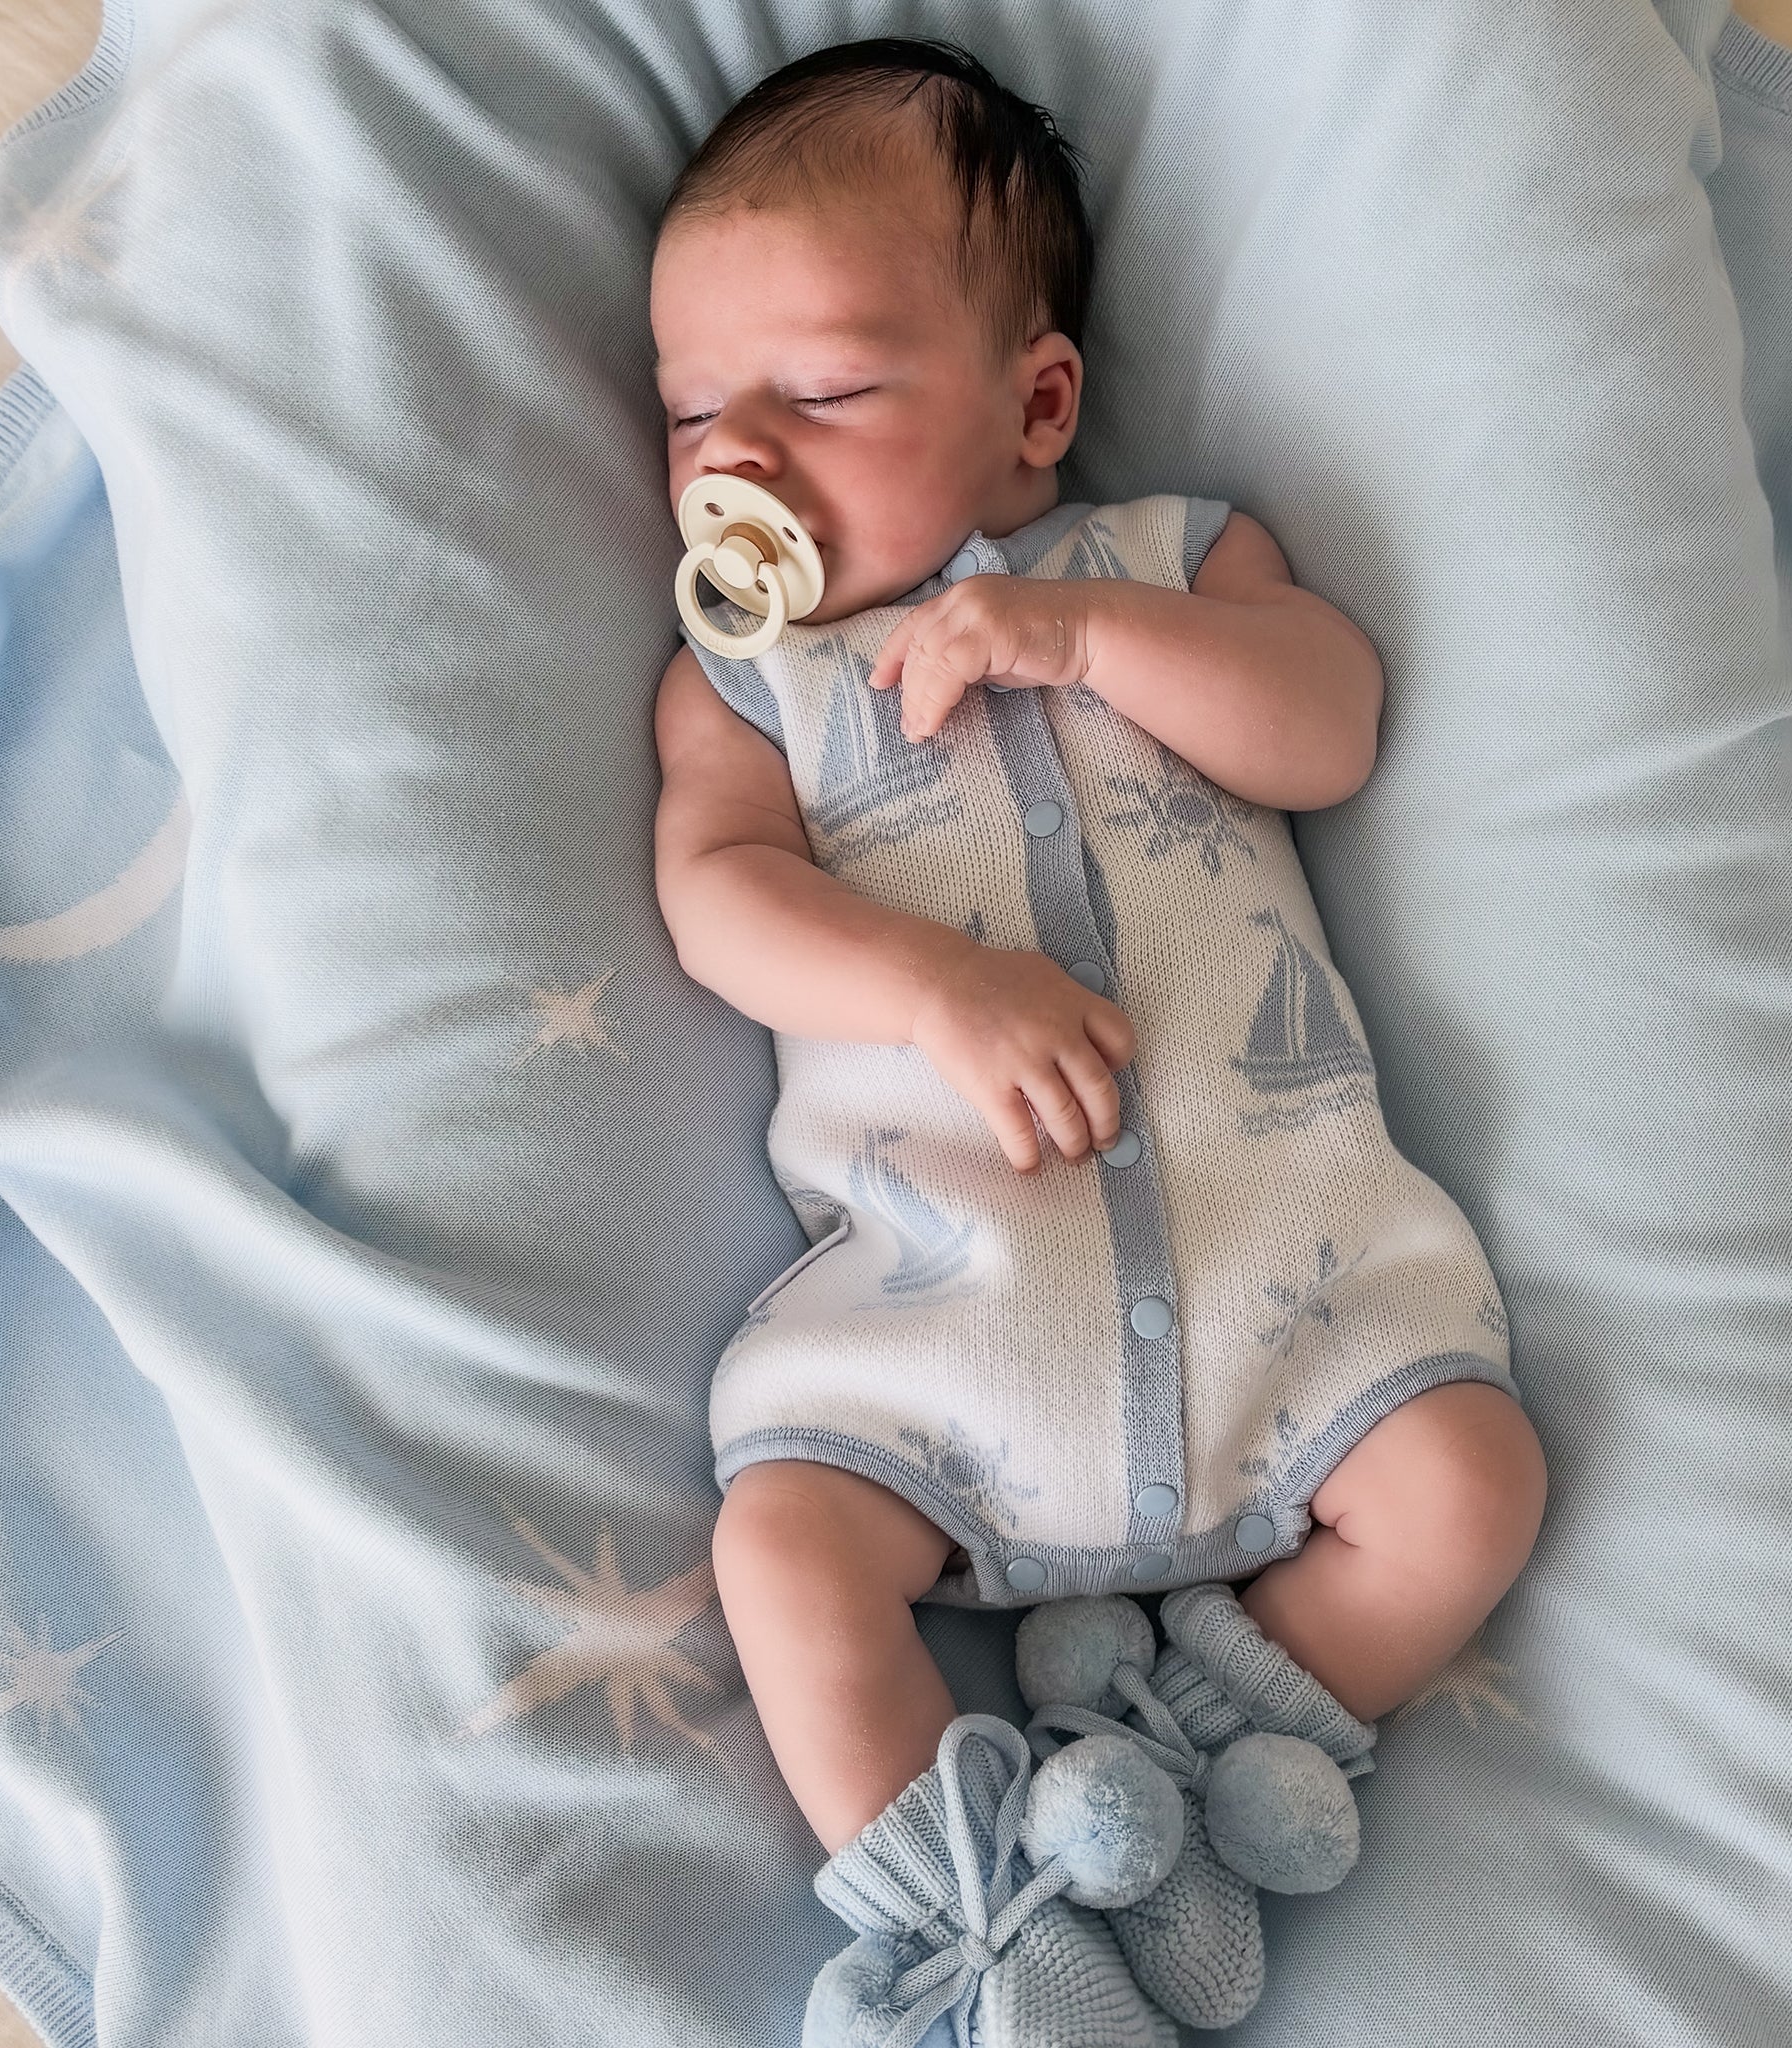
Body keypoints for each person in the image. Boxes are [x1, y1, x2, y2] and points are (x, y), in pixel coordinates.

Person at [649, 38, 1547, 2046]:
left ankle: (1191, 1749)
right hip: (945, 1327)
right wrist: (927, 987)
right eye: (693, 409)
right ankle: (977, 1922)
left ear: (1034, 402)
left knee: (1471, 1479)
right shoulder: (755, 692)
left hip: (1287, 1296)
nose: (740, 462)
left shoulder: (1172, 563)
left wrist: (1074, 639)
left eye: (822, 392)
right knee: (783, 1546)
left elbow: (1328, 722)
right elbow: (717, 900)